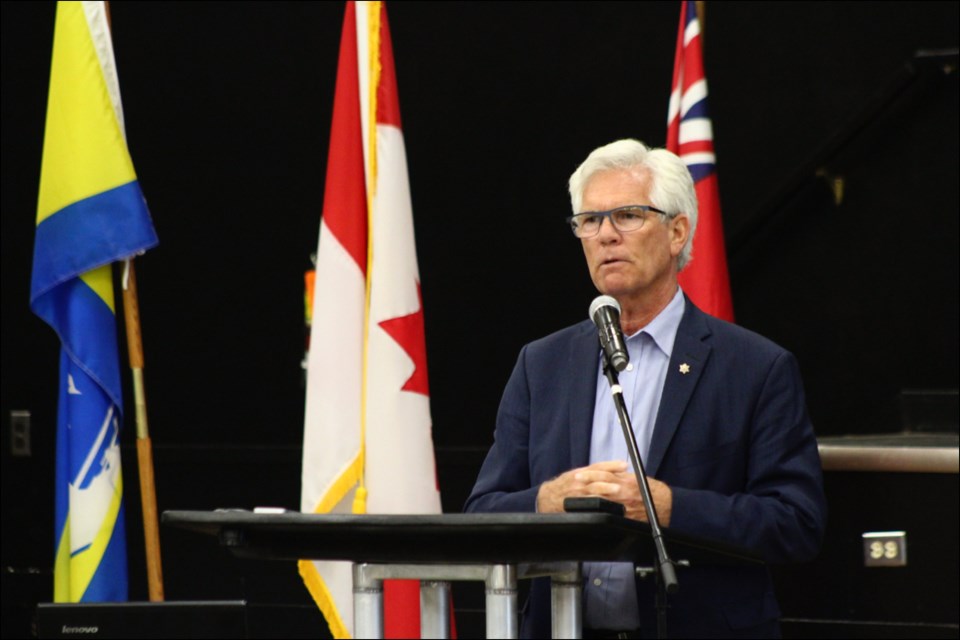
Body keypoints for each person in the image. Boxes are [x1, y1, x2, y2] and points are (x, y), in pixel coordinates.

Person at [464, 139, 827, 639]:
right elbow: (482, 513)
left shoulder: (755, 368)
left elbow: (795, 523)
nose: (606, 235)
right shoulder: (542, 364)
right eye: (590, 221)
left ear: (678, 232)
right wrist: (547, 500)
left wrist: (670, 507)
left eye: (627, 216)